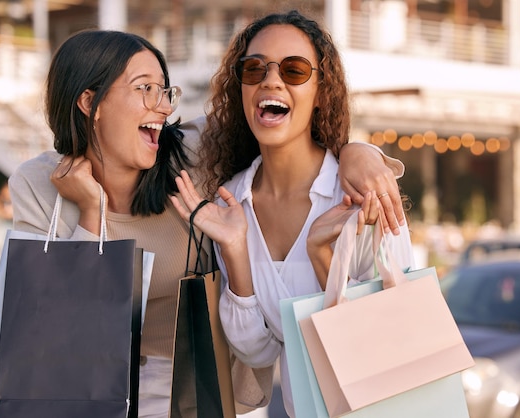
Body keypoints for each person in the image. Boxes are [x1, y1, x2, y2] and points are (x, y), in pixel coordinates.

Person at [8, 29, 407, 418]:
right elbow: (57, 327)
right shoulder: (40, 187)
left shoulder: (196, 154)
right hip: (88, 389)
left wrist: (358, 151)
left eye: (164, 91)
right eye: (145, 88)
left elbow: (282, 126)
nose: (163, 107)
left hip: (191, 390)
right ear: (88, 101)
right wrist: (91, 214)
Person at [170, 10, 416, 417]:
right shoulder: (230, 202)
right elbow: (259, 352)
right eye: (254, 69)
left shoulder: (361, 189)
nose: (271, 80)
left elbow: (395, 330)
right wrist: (234, 252)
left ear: (322, 91)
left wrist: (324, 258)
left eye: (295, 70)